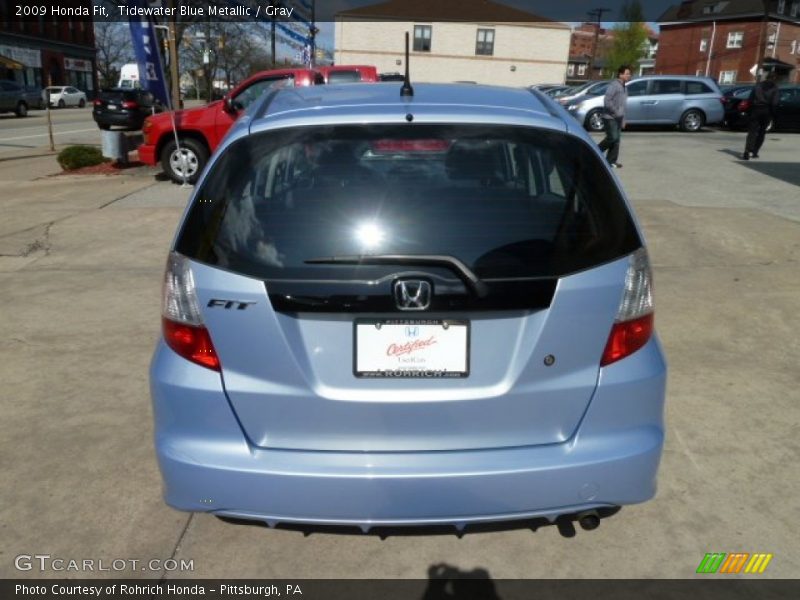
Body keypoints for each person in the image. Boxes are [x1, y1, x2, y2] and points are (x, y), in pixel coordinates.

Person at [598, 65, 632, 169]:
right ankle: (595, 151)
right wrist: (616, 112)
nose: (629, 76)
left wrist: (623, 119)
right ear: (620, 74)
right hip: (610, 117)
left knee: (617, 140)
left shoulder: (624, 87)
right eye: (626, 73)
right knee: (612, 137)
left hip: (618, 118)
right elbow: (607, 101)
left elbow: (623, 105)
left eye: (629, 74)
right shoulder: (614, 85)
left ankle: (611, 161)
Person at [742, 72, 779, 160]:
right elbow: (774, 103)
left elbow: (750, 99)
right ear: (774, 78)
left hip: (756, 109)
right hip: (767, 111)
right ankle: (755, 152)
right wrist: (774, 114)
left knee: (752, 131)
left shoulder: (757, 86)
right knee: (762, 132)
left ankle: (747, 151)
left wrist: (749, 110)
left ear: (766, 77)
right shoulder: (774, 88)